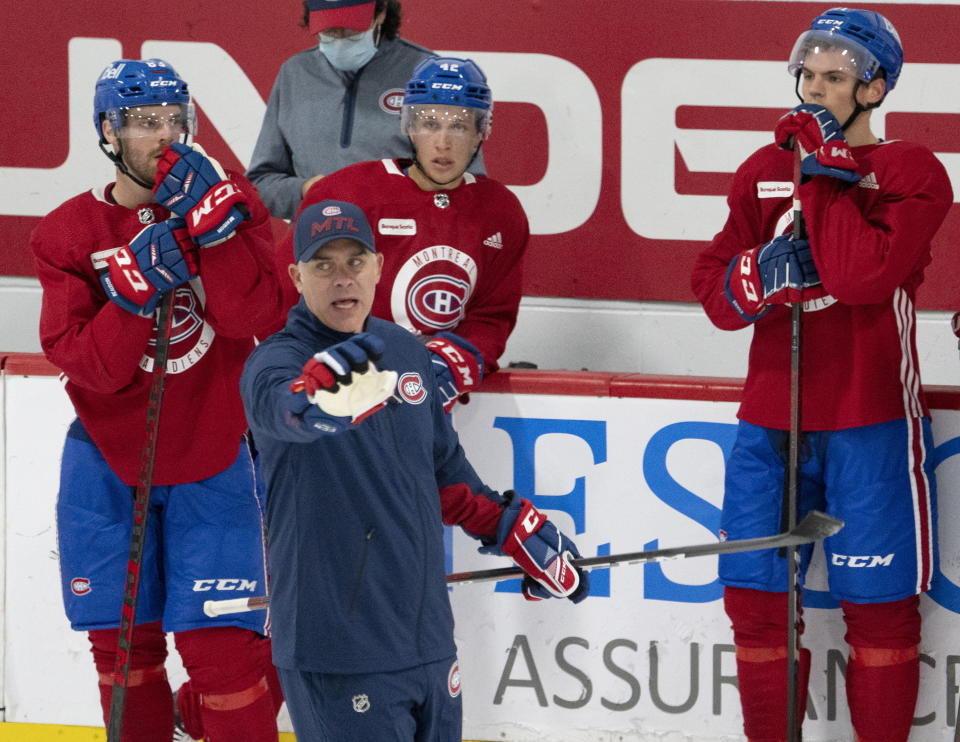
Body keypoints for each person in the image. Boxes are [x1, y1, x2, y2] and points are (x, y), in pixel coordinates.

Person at [690, 8, 952, 742]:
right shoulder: (762, 171)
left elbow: (863, 276)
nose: (814, 89)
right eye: (808, 74)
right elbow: (714, 288)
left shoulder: (912, 172)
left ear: (874, 89)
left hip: (868, 420)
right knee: (755, 599)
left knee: (878, 604)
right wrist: (756, 276)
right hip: (769, 421)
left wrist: (827, 175)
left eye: (836, 77)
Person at [241, 198, 588, 741]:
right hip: (336, 647)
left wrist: (508, 527)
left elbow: (441, 469)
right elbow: (284, 409)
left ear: (379, 266)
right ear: (296, 275)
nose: (341, 279)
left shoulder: (404, 350)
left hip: (426, 640)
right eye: (322, 264)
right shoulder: (275, 362)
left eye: (355, 261)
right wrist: (317, 399)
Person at [30, 58, 284, 741]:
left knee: (225, 656)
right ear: (108, 131)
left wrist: (220, 234)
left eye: (176, 120)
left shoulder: (235, 206)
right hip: (108, 467)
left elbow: (252, 319)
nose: (165, 136)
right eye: (146, 122)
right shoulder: (64, 235)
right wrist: (133, 289)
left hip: (212, 458)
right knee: (124, 656)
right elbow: (91, 366)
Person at [274, 55, 528, 413]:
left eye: (458, 126)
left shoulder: (501, 212)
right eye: (429, 124)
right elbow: (286, 297)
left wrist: (454, 361)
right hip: (343, 390)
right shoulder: (346, 193)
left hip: (431, 406)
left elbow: (492, 315)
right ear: (408, 126)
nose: (442, 142)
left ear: (481, 133)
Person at [247, 0, 482, 220]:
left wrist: (397, 201)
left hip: (406, 245)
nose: (339, 39)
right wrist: (304, 191)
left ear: (380, 13)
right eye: (328, 31)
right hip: (318, 248)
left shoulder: (428, 75)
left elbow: (472, 183)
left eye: (350, 31)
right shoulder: (294, 74)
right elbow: (260, 184)